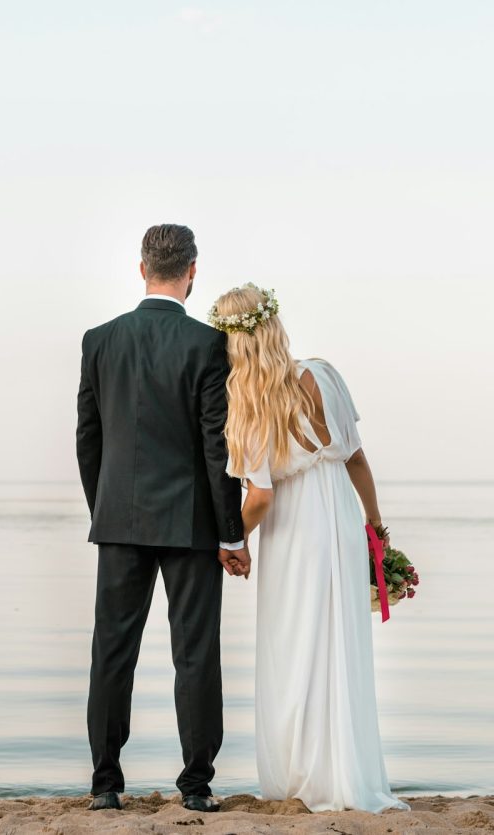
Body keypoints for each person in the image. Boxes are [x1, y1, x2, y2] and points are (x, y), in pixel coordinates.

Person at [209, 283, 410, 813]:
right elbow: (358, 462)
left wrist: (232, 541)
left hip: (295, 530)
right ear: (273, 325)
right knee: (339, 644)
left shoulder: (249, 402)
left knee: (295, 646)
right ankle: (348, 774)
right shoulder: (323, 374)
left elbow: (261, 496)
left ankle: (304, 776)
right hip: (339, 517)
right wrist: (376, 529)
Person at [76, 224, 250, 813]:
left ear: (141, 267)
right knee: (196, 653)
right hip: (192, 524)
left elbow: (88, 440)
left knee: (112, 651)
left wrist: (105, 507)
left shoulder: (99, 340)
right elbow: (215, 449)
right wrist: (232, 532)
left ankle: (105, 785)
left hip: (119, 520)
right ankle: (196, 787)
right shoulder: (207, 345)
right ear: (192, 271)